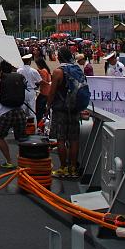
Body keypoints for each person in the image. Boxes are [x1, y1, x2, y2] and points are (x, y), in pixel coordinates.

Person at [46, 46, 84, 180]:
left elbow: (52, 92)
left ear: (59, 57)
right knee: (74, 140)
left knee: (61, 139)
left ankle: (63, 167)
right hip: (74, 109)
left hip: (60, 109)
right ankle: (73, 168)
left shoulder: (58, 72)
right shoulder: (77, 69)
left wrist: (48, 106)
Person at [0, 62, 27, 169]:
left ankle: (9, 161)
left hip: (5, 112)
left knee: (0, 136)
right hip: (19, 110)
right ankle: (24, 161)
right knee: (22, 139)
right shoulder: (17, 78)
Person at [18, 53, 42, 123]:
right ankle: (34, 127)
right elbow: (40, 81)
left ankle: (22, 127)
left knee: (22, 110)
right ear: (29, 61)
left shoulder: (19, 70)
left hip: (22, 91)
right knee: (32, 110)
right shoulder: (33, 71)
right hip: (31, 91)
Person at [34, 55, 52, 123]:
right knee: (44, 108)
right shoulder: (46, 70)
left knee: (39, 108)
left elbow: (43, 81)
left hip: (44, 92)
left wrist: (36, 81)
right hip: (47, 92)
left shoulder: (43, 71)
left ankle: (40, 122)